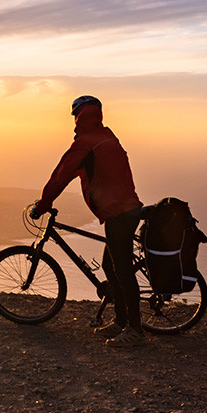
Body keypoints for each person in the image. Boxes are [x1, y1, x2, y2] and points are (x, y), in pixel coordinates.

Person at [30, 95, 145, 347]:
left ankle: (134, 330)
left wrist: (43, 205)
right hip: (127, 209)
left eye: (74, 117)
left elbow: (60, 176)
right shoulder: (107, 137)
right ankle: (120, 321)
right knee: (109, 265)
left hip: (119, 213)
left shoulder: (86, 144)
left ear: (79, 116)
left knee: (122, 271)